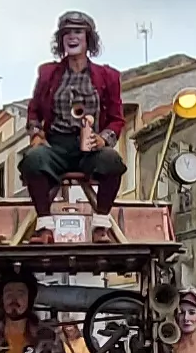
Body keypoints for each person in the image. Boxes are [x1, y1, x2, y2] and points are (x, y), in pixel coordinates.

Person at [20, 11, 129, 212]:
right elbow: (34, 111)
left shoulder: (108, 76)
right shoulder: (47, 73)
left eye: (78, 32)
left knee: (112, 161)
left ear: (89, 38)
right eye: (67, 32)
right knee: (33, 159)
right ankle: (44, 221)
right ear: (61, 40)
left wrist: (103, 140)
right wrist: (36, 135)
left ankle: (101, 219)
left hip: (90, 148)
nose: (72, 37)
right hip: (56, 146)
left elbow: (116, 119)